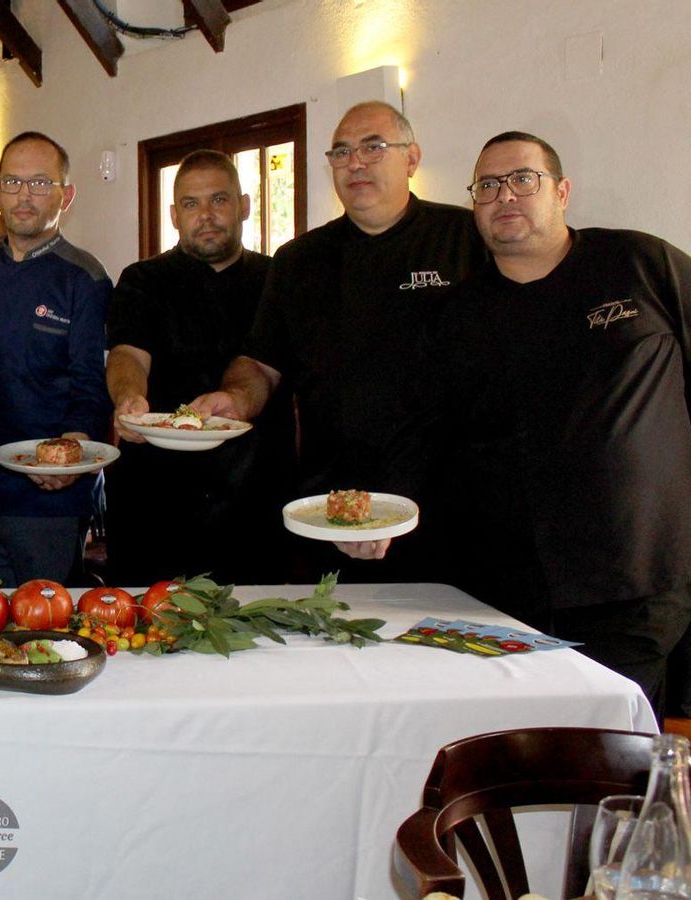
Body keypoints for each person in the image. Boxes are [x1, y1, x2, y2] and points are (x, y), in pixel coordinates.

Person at [418, 132, 691, 718]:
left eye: (523, 179)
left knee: (613, 751)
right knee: (515, 749)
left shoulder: (641, 264)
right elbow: (437, 444)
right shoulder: (457, 315)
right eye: (487, 186)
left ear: (562, 192)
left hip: (635, 579)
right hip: (500, 591)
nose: (504, 196)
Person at [191, 101, 486, 579]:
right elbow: (261, 362)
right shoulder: (298, 260)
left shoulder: (465, 238)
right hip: (331, 508)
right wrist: (236, 398)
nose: (356, 163)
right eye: (342, 152)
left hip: (450, 506)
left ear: (411, 159)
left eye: (373, 147)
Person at [105, 150, 293, 586]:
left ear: (244, 205)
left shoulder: (278, 280)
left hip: (254, 496)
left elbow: (273, 367)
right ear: (174, 214)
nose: (205, 215)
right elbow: (128, 355)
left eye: (219, 200)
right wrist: (128, 397)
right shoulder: (142, 280)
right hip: (156, 497)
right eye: (191, 204)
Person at [0, 131, 112, 586]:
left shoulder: (85, 278)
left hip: (49, 497)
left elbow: (91, 385)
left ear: (67, 194)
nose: (24, 195)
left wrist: (70, 460)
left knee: (47, 625)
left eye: (40, 183)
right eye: (12, 182)